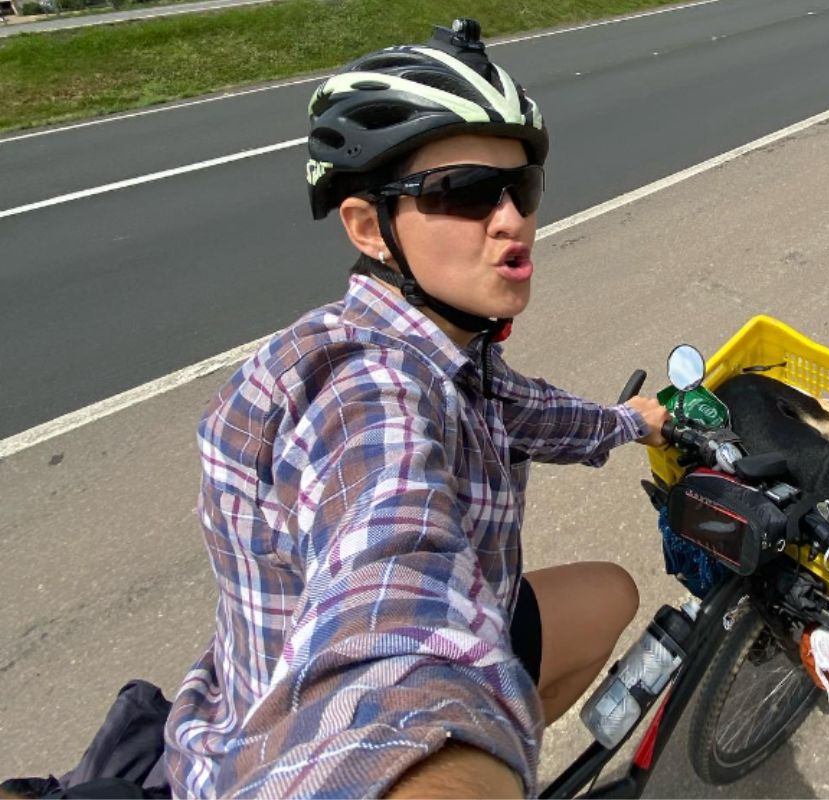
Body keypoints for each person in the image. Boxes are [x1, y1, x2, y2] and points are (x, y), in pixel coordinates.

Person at [162, 18, 669, 799]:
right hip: (283, 748)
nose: (512, 219)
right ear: (369, 228)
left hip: (377, 649)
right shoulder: (360, 387)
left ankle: (493, 740)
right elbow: (388, 577)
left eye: (521, 188)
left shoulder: (456, 351)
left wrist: (632, 422)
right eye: (462, 193)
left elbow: (519, 408)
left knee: (611, 594)